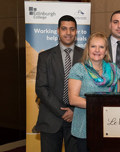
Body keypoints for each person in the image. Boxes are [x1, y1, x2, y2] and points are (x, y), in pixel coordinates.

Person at [35, 15, 83, 152]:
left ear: (76, 32)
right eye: (64, 29)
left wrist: (74, 111)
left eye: (72, 29)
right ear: (58, 31)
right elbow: (41, 88)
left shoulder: (86, 56)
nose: (68, 33)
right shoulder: (44, 57)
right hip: (51, 118)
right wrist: (62, 112)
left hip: (77, 119)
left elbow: (88, 88)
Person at [68, 32, 120, 152]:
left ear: (106, 50)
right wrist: (99, 106)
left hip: (110, 124)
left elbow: (117, 97)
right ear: (88, 49)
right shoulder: (79, 69)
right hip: (85, 126)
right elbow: (73, 98)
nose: (97, 50)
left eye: (101, 47)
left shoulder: (114, 70)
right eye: (93, 46)